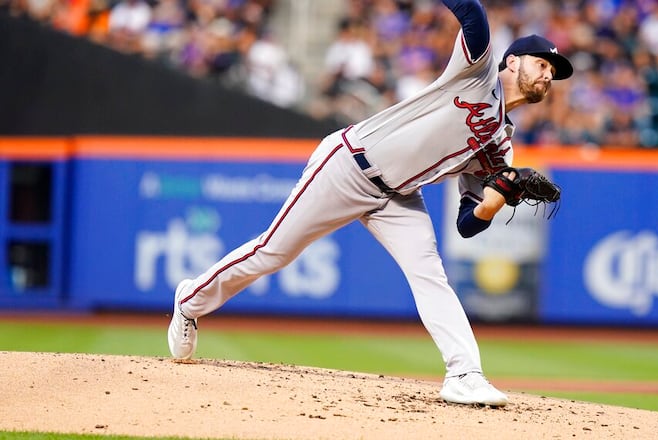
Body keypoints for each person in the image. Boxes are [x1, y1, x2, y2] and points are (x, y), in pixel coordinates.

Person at [168, 0, 573, 408]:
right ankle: (190, 302)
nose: (548, 75)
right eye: (541, 64)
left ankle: (465, 374)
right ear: (512, 61)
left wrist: (498, 196)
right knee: (273, 251)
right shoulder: (478, 73)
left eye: (553, 73)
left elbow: (469, 223)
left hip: (399, 196)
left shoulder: (499, 148)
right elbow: (472, 12)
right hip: (348, 164)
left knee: (429, 272)